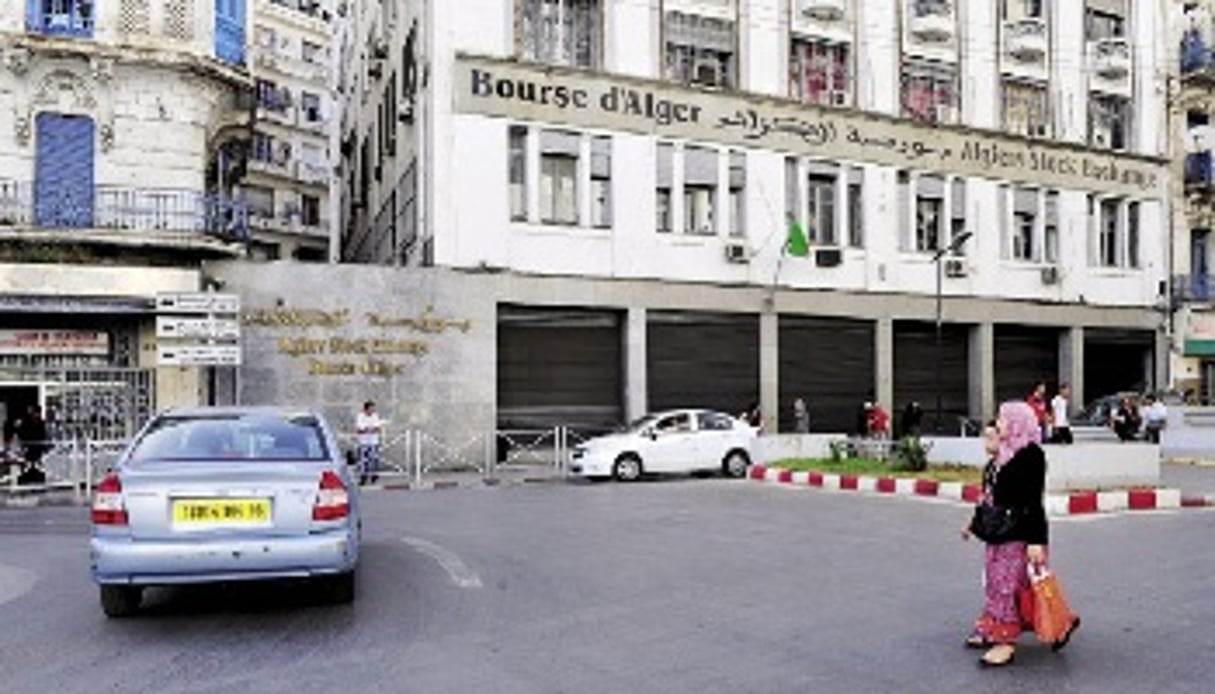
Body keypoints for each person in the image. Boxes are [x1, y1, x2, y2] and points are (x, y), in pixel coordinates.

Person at [962, 401, 1079, 667]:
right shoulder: (1004, 454)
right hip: (999, 533)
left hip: (1020, 533)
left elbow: (1033, 501)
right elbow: (991, 496)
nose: (998, 424)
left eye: (1003, 419)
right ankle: (1056, 623)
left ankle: (1005, 642)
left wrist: (1036, 540)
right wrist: (974, 523)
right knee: (1003, 584)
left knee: (1009, 586)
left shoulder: (1031, 455)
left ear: (1017, 423)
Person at [355, 400, 386, 485]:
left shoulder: (375, 416)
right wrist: (368, 429)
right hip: (363, 442)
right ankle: (363, 477)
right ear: (366, 409)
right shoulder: (360, 416)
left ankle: (374, 475)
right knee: (363, 460)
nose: (372, 411)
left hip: (374, 441)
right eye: (371, 409)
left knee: (374, 459)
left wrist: (370, 429)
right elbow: (359, 429)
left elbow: (378, 428)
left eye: (373, 409)